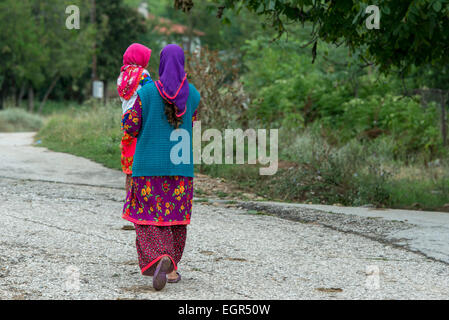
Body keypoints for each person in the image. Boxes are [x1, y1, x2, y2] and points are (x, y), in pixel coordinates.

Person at [121, 44, 200, 291]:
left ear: (162, 63)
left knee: (147, 217)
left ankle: (160, 257)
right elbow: (192, 122)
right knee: (175, 219)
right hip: (181, 170)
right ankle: (172, 268)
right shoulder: (194, 95)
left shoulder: (146, 93)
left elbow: (131, 126)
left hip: (148, 168)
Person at [117, 43, 153, 194]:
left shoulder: (122, 76)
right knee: (141, 154)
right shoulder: (143, 74)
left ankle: (128, 194)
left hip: (126, 118)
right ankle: (141, 195)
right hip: (140, 117)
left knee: (129, 153)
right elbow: (151, 91)